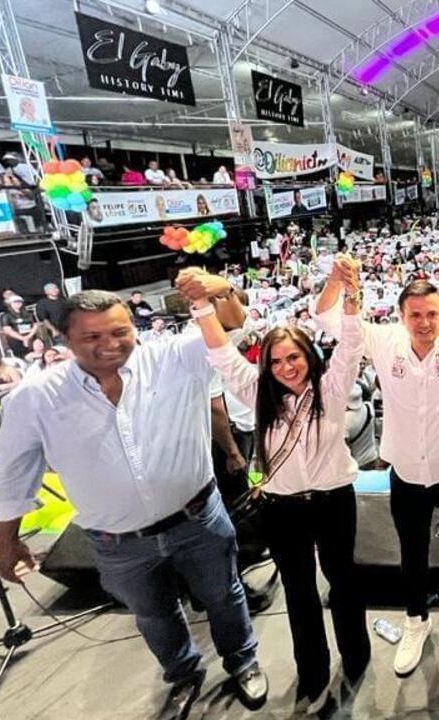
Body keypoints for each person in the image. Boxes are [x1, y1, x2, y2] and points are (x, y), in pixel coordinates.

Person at [0, 289, 268, 718]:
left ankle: (242, 660)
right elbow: (14, 472)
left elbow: (232, 323)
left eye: (120, 331)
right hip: (118, 542)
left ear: (134, 328)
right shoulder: (36, 397)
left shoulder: (173, 358)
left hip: (199, 520)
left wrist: (215, 288)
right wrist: (6, 541)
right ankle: (183, 673)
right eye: (91, 336)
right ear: (64, 338)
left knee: (225, 596)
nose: (109, 344)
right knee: (154, 616)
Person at [314, 250, 439, 677]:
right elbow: (328, 316)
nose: (424, 323)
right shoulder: (382, 340)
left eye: (432, 314)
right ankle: (415, 620)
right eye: (415, 314)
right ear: (401, 315)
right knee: (412, 549)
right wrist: (336, 280)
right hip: (406, 467)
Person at [183, 257, 369, 713]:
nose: (288, 367)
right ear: (266, 365)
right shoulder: (254, 391)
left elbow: (352, 342)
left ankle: (357, 654)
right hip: (284, 508)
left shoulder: (333, 386)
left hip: (333, 500)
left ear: (309, 356)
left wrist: (350, 293)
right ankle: (312, 670)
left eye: (295, 357)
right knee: (299, 590)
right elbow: (221, 354)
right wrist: (201, 306)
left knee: (343, 581)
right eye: (278, 361)